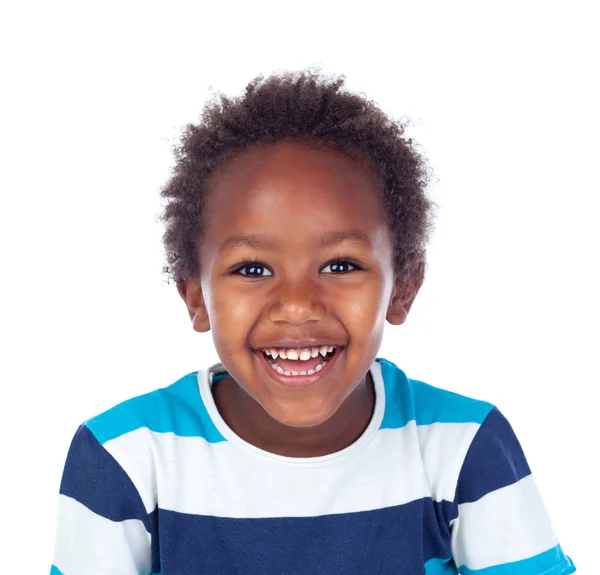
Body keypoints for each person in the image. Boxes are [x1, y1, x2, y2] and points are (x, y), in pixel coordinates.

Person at [50, 70, 576, 575]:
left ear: (404, 287)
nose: (297, 305)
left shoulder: (461, 447)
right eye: (252, 269)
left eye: (341, 265)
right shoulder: (125, 456)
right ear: (196, 297)